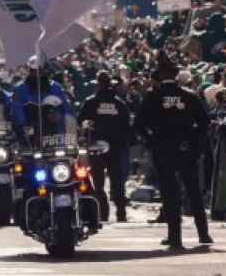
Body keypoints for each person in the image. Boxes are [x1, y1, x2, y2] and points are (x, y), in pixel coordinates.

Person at [133, 52, 213, 249]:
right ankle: (203, 234)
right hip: (185, 148)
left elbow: (138, 125)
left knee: (170, 193)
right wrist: (196, 143)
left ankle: (175, 237)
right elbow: (205, 121)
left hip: (162, 149)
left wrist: (151, 138)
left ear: (160, 75)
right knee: (194, 191)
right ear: (176, 75)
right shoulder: (189, 96)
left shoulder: (152, 97)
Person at [78, 70, 131, 222]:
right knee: (117, 181)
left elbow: (81, 121)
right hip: (115, 147)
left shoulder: (90, 102)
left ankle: (103, 213)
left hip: (96, 147)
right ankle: (121, 214)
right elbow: (126, 126)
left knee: (99, 183)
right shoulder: (119, 104)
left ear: (98, 85)